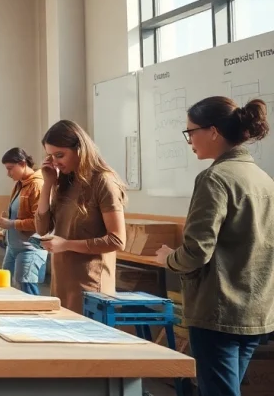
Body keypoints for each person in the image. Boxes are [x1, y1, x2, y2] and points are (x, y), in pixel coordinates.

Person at [154, 97, 274, 396]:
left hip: (217, 312)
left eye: (190, 132)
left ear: (213, 132)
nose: (189, 140)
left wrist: (169, 259)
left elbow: (196, 251)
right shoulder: (263, 179)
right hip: (257, 309)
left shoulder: (214, 178)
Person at [35, 120, 126, 313]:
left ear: (80, 149)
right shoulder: (66, 182)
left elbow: (117, 240)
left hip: (90, 286)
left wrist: (66, 244)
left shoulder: (103, 182)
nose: (56, 162)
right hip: (61, 283)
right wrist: (48, 184)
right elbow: (42, 229)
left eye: (60, 155)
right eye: (51, 156)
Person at [0, 148, 47, 295]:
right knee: (4, 286)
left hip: (30, 248)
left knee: (27, 290)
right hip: (14, 246)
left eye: (11, 169)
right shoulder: (20, 184)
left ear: (23, 163)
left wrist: (11, 224)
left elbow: (40, 223)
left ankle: (34, 318)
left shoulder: (37, 185)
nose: (8, 173)